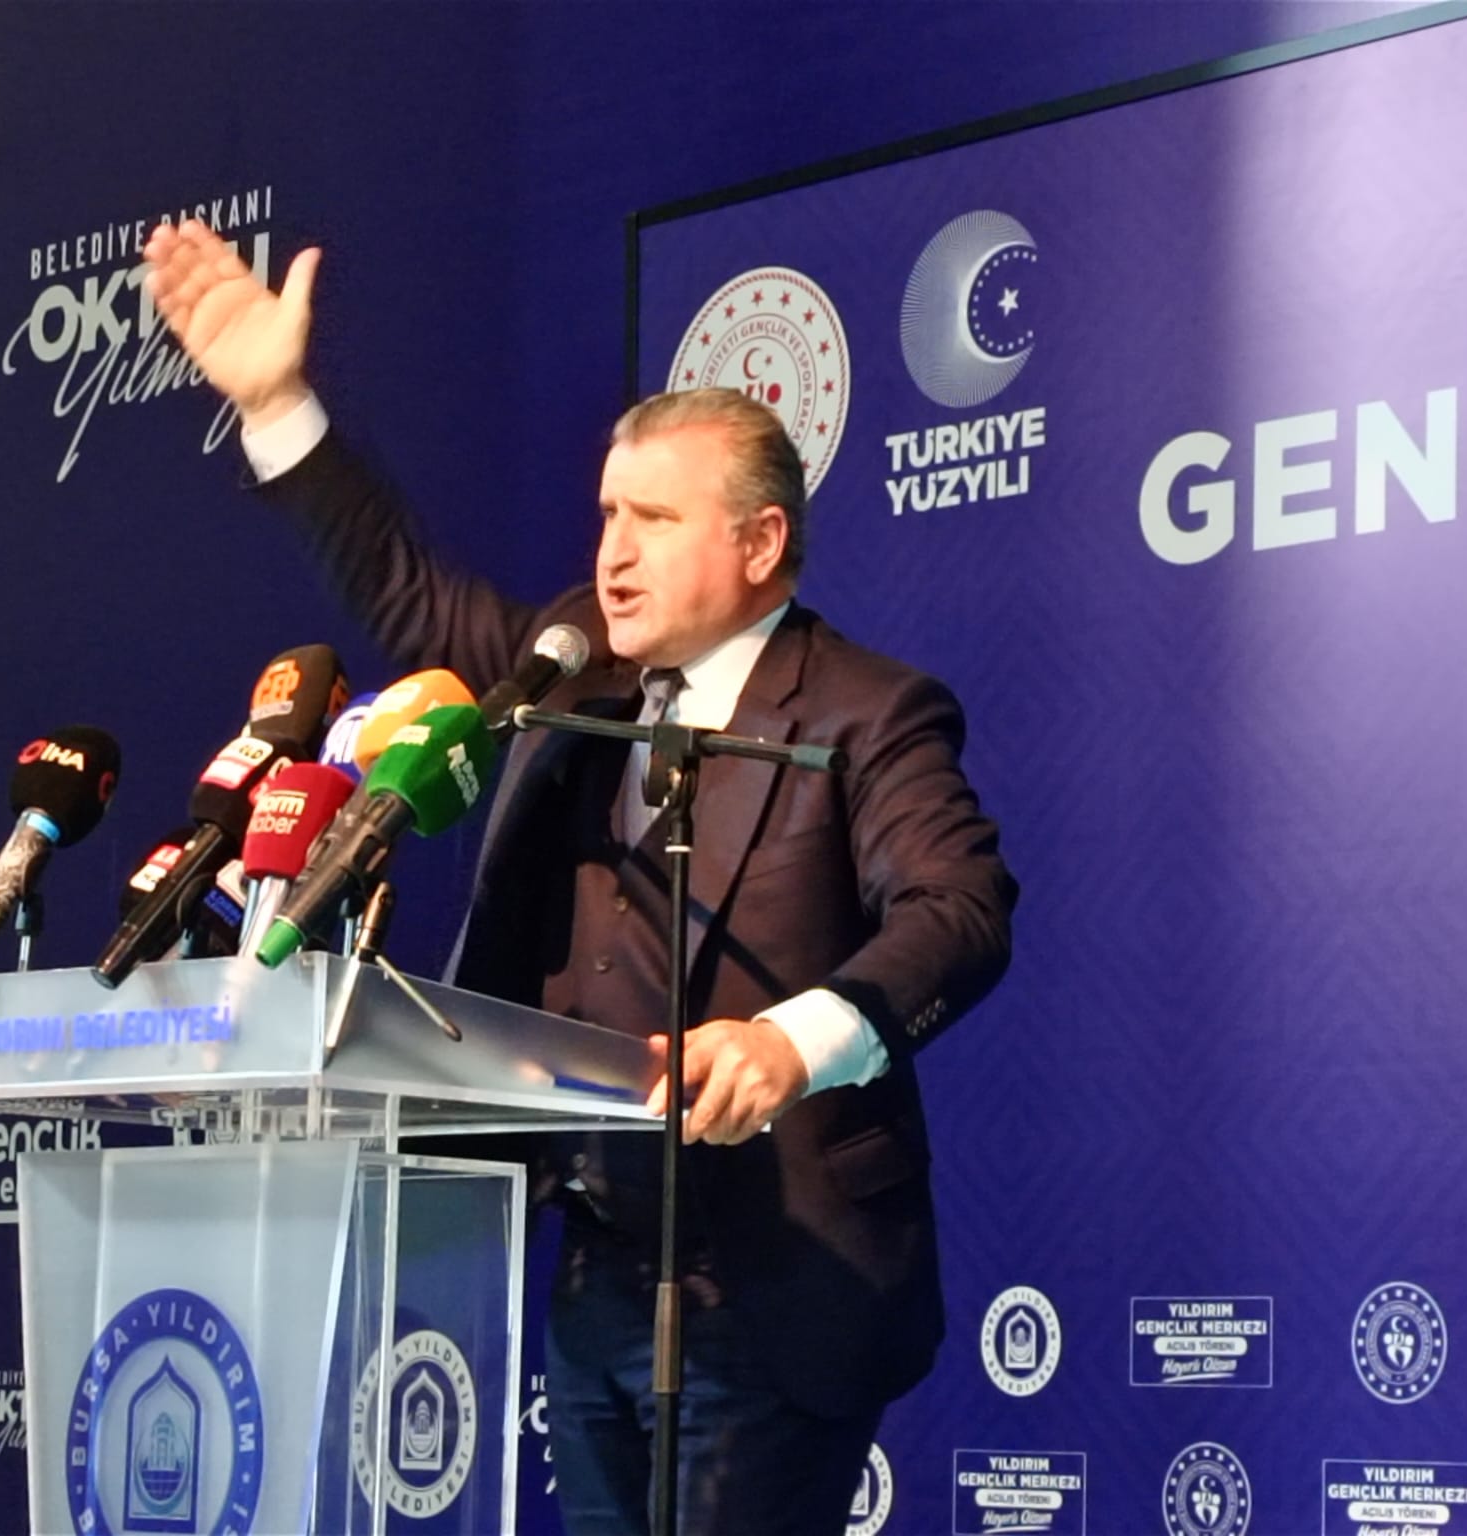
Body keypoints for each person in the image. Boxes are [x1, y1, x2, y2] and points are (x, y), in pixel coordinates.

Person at [145, 220, 1017, 1536]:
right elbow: (407, 592)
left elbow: (961, 912)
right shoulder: (571, 665)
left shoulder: (868, 710)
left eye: (654, 520)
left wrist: (792, 1044)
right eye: (610, 513)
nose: (613, 550)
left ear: (761, 543)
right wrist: (276, 406)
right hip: (595, 1272)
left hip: (780, 1284)